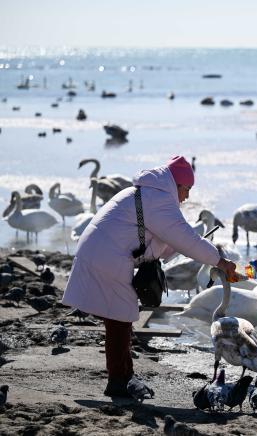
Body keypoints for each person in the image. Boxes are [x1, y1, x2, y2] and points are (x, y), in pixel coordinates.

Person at [62, 156, 236, 397]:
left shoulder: (150, 193)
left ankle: (123, 377)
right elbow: (183, 238)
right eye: (186, 190)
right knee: (120, 320)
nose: (186, 197)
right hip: (107, 257)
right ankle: (119, 381)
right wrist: (220, 261)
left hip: (103, 252)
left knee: (119, 319)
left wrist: (199, 247)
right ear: (176, 185)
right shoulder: (159, 200)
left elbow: (164, 242)